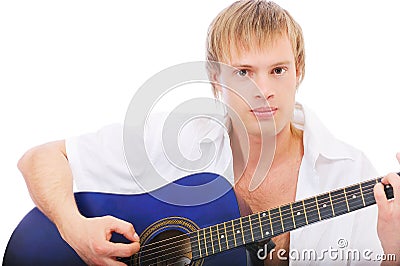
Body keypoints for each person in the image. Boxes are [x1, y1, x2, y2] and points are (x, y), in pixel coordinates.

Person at [16, 0, 399, 265]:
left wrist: (394, 248)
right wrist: (74, 229)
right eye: (243, 72)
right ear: (216, 79)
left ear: (298, 69)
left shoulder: (349, 172)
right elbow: (41, 157)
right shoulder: (176, 137)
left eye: (278, 70)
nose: (262, 89)